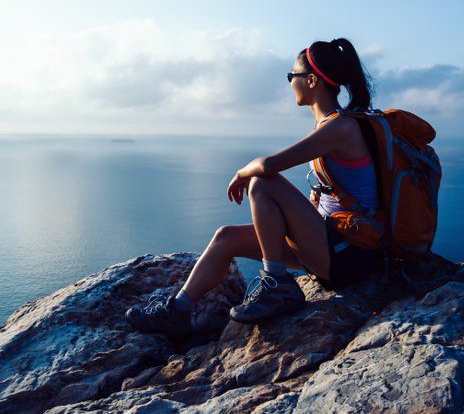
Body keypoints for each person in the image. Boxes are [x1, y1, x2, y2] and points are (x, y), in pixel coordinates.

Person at [126, 38, 383, 335]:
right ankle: (178, 310)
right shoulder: (334, 126)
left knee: (261, 182)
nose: (290, 83)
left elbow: (268, 166)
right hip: (332, 244)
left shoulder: (341, 127)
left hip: (349, 254)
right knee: (225, 238)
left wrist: (242, 171)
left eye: (292, 76)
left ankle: (277, 284)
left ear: (311, 81)